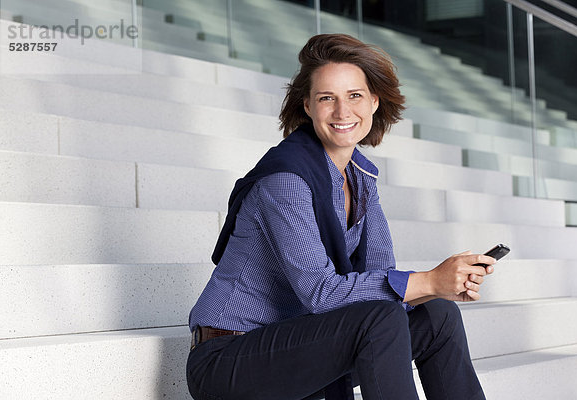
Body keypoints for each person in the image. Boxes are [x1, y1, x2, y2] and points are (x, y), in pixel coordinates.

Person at [186, 33, 495, 400]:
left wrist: (439, 286)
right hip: (230, 358)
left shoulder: (361, 179)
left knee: (438, 316)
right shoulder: (285, 180)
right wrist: (428, 280)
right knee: (381, 319)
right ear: (308, 107)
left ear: (374, 101)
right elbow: (320, 294)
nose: (342, 112)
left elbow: (382, 283)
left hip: (302, 347)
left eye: (354, 96)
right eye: (327, 98)